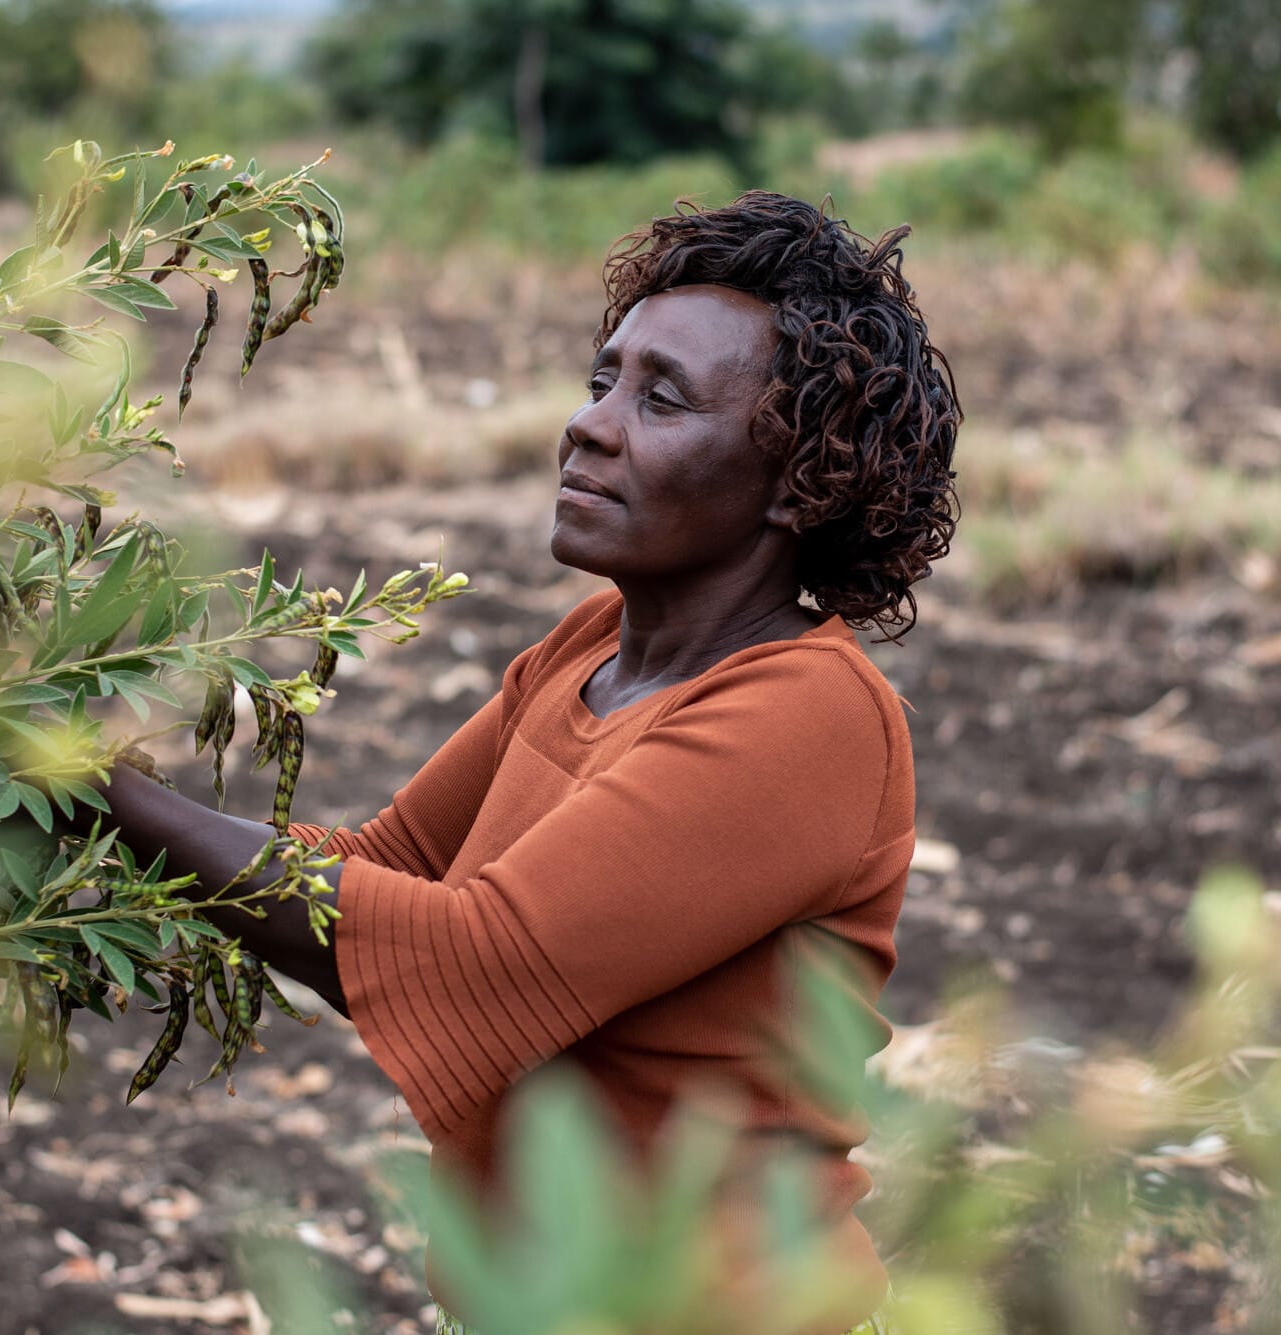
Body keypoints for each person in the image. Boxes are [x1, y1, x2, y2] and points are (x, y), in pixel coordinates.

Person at [91, 191, 961, 1334]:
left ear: (800, 478)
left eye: (661, 400)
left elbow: (470, 961)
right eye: (602, 380)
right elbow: (373, 867)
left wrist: (90, 788)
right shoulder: (589, 650)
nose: (588, 425)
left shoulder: (807, 717)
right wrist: (61, 801)